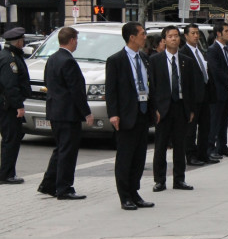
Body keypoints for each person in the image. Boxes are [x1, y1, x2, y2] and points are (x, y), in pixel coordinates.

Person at [38, 27, 93, 199]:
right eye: (76, 39)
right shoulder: (68, 61)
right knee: (68, 152)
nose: (77, 43)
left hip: (55, 111)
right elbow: (76, 90)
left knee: (61, 149)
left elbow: (48, 82)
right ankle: (64, 188)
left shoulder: (53, 59)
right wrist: (87, 112)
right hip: (68, 114)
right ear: (71, 40)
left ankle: (48, 183)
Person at [105, 22, 155, 210]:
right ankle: (124, 195)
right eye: (142, 34)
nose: (145, 37)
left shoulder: (144, 58)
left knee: (139, 157)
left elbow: (151, 85)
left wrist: (154, 108)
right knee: (125, 157)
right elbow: (111, 90)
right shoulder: (116, 60)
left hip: (143, 113)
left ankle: (135, 192)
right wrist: (113, 114)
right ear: (132, 37)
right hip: (126, 115)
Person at [149, 25, 195, 192]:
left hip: (181, 106)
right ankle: (160, 180)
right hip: (163, 109)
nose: (174, 39)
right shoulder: (155, 61)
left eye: (176, 36)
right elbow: (152, 88)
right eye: (170, 36)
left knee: (180, 145)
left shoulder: (186, 61)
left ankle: (179, 179)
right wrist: (155, 109)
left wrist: (190, 109)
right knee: (160, 146)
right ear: (164, 40)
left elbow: (190, 87)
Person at [179, 23, 218, 166]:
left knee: (205, 127)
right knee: (191, 128)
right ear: (186, 36)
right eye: (193, 33)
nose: (196, 36)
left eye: (197, 33)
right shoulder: (183, 53)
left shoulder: (200, 51)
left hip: (205, 95)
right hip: (193, 96)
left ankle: (203, 153)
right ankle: (191, 155)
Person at [206, 22, 228, 159]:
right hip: (218, 91)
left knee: (224, 120)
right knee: (214, 120)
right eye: (226, 31)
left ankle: (222, 147)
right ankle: (210, 148)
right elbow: (216, 71)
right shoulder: (212, 50)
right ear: (218, 33)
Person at [0, 27, 31, 184]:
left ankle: (8, 172)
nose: (23, 42)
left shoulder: (9, 55)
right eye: (22, 40)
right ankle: (6, 174)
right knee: (11, 139)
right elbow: (10, 85)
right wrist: (18, 105)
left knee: (12, 138)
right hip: (9, 107)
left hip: (8, 105)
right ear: (18, 42)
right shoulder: (9, 59)